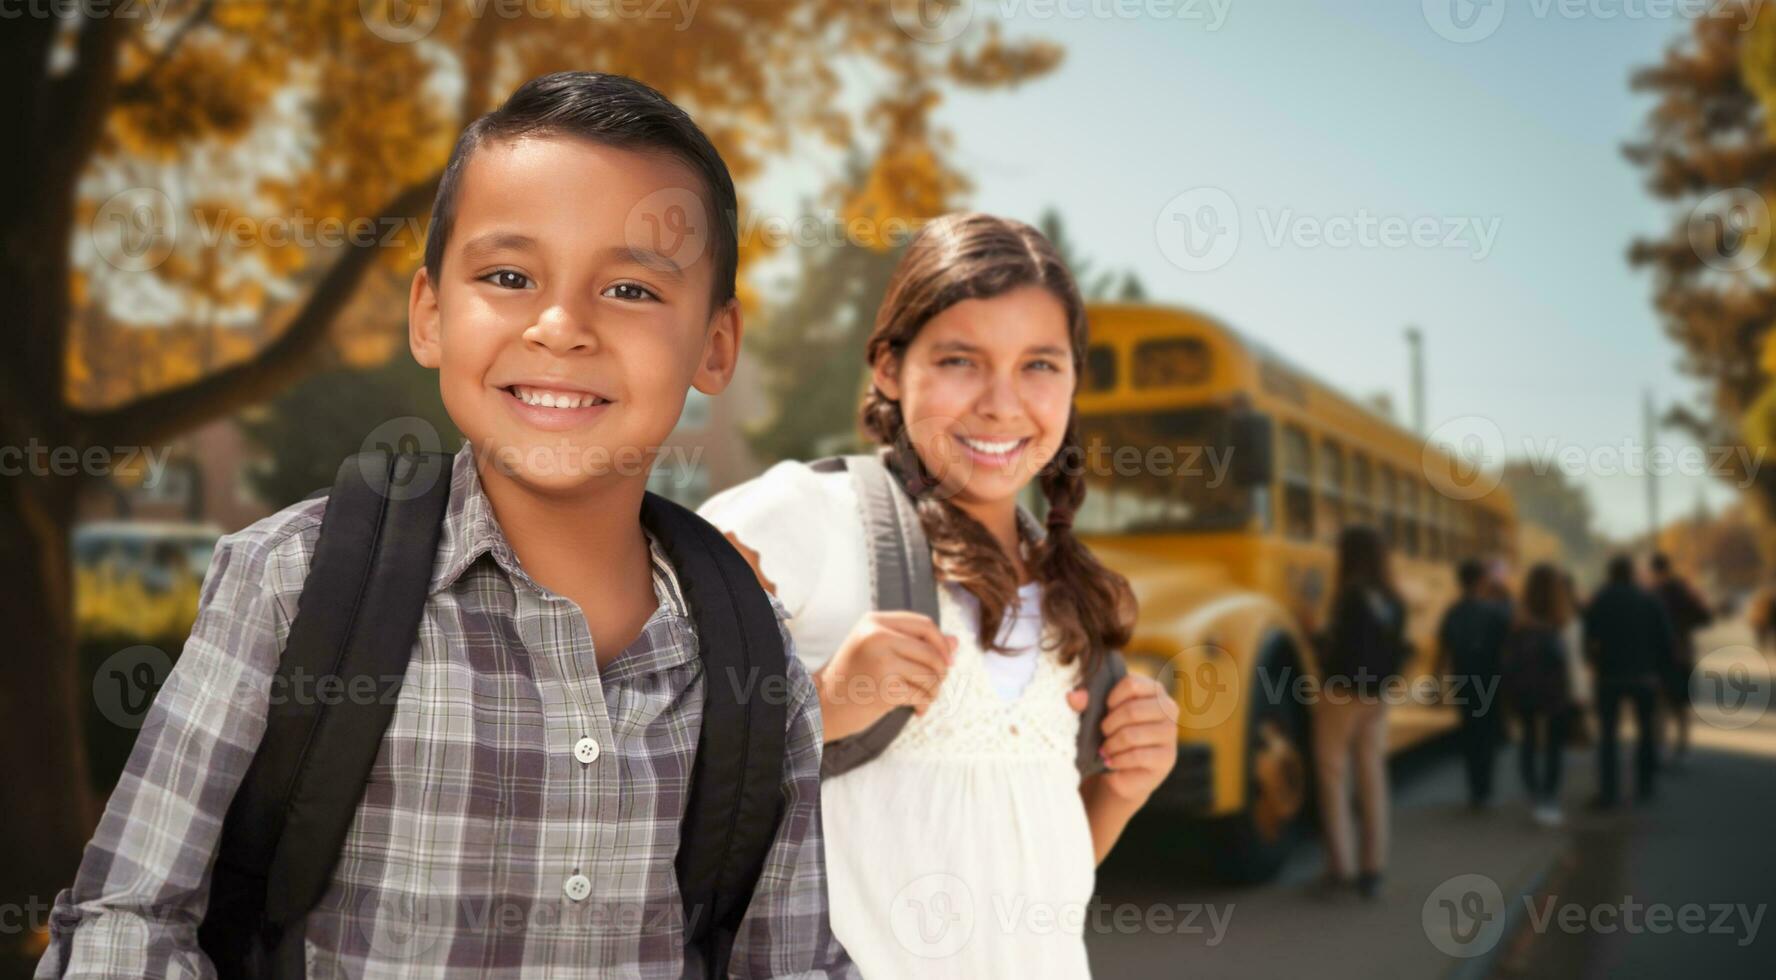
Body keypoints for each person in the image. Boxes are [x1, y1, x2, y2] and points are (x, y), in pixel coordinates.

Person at [39, 72, 851, 977]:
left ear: (715, 346)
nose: (560, 326)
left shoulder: (751, 649)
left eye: (630, 290)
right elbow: (130, 917)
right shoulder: (293, 580)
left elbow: (791, 961)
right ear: (429, 313)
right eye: (509, 276)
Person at [700, 212, 1178, 977]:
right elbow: (630, 743)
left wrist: (1123, 790)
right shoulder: (808, 519)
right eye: (961, 360)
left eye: (1040, 365)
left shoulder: (1065, 590)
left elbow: (1035, 880)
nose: (1001, 402)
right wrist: (820, 704)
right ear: (889, 366)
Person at [1312, 525, 1407, 901]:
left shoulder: (1349, 596)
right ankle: (1373, 868)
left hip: (1342, 694)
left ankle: (1342, 866)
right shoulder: (1393, 600)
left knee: (1333, 774)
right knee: (1372, 777)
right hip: (1378, 696)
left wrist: (1312, 635)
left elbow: (1336, 653)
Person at [1584, 554, 1677, 808]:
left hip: (1609, 677)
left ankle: (1608, 792)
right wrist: (1660, 671)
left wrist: (1593, 664)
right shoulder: (1649, 600)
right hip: (1644, 677)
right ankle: (1645, 785)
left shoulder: (1600, 600)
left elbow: (1587, 637)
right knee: (1645, 731)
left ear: (1610, 574)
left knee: (1608, 735)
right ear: (1632, 573)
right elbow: (1666, 640)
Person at [1501, 564, 1576, 827]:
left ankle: (1534, 793)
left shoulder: (1518, 623)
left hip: (1524, 692)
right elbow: (1564, 664)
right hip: (1553, 693)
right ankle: (1548, 798)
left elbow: (1508, 663)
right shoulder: (1557, 624)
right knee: (1554, 746)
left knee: (1529, 741)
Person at [1436, 558, 1511, 809]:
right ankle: (1485, 789)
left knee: (1470, 733)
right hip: (1489, 680)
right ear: (1481, 581)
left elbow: (1442, 650)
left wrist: (1436, 684)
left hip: (1463, 680)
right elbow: (1506, 649)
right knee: (1487, 735)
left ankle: (1474, 790)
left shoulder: (1453, 612)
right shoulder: (1493, 612)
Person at [1649, 552, 1713, 765]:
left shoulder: (1652, 594)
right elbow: (1705, 617)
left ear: (1654, 571)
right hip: (1681, 654)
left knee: (1660, 704)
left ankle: (1659, 748)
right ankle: (1681, 749)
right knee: (1680, 705)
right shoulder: (1681, 591)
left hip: (1659, 657)